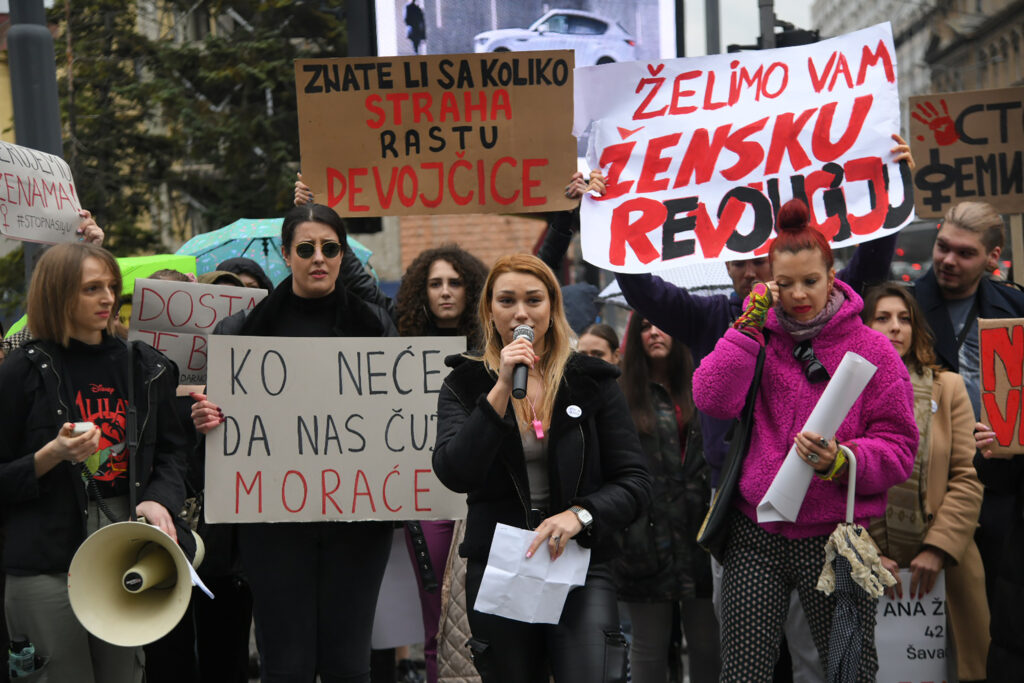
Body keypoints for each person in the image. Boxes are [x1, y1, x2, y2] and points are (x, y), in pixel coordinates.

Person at [692, 199, 918, 681]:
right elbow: (711, 398)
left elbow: (900, 447)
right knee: (744, 672)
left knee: (848, 669)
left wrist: (844, 459)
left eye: (810, 281)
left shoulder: (870, 347)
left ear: (833, 276)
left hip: (834, 534)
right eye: (786, 282)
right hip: (755, 532)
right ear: (769, 281)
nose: (798, 294)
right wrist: (745, 329)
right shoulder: (758, 334)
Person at [191, 203, 397, 682]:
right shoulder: (240, 333)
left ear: (344, 256)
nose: (318, 258)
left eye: (330, 248)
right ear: (287, 255)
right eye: (306, 248)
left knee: (349, 665)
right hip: (273, 528)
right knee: (287, 666)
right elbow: (216, 442)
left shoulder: (376, 328)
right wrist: (205, 419)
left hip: (358, 524)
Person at [432, 254, 651, 683]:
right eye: (507, 300)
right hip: (501, 566)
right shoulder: (465, 383)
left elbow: (636, 482)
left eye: (534, 300)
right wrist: (498, 391)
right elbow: (455, 471)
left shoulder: (592, 381)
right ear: (489, 311)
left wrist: (580, 515)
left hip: (579, 564)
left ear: (551, 309)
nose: (521, 313)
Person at [0, 242, 189, 683]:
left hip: (123, 547)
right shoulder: (20, 373)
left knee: (125, 674)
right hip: (46, 557)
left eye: (111, 286)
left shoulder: (145, 366)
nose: (107, 298)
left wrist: (160, 499)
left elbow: (173, 453)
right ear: (57, 294)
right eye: (91, 288)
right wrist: (51, 456)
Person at [860, 283, 989, 681]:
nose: (896, 327)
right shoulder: (843, 393)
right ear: (863, 327)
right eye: (883, 318)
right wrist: (864, 556)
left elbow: (969, 476)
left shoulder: (947, 387)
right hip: (871, 573)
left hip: (946, 565)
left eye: (905, 318)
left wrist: (938, 548)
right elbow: (831, 489)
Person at [912, 200, 1024, 613]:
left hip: (1000, 483)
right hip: (930, 488)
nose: (948, 260)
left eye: (965, 253)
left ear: (994, 256)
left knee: (997, 614)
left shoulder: (1015, 309)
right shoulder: (902, 309)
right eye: (943, 246)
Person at [395, 244, 488, 683]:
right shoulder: (395, 347)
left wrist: (563, 223)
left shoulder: (495, 346)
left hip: (486, 501)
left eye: (456, 282)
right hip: (426, 502)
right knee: (437, 625)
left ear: (474, 291)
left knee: (489, 623)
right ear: (421, 293)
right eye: (435, 284)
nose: (446, 292)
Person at [613, 315, 719, 682]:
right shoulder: (622, 392)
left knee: (708, 643)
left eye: (662, 324)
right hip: (645, 538)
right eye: (644, 326)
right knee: (647, 645)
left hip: (701, 534)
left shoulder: (702, 381)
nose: (655, 331)